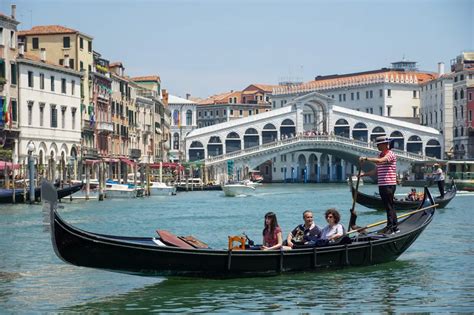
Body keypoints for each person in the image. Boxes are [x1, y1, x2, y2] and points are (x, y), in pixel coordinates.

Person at [360, 135, 399, 235]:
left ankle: (392, 227)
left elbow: (381, 161)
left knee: (389, 206)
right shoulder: (380, 155)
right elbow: (375, 171)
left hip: (388, 184)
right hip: (382, 184)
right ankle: (393, 226)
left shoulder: (390, 154)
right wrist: (364, 174)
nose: (377, 147)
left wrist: (366, 158)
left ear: (385, 145)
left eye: (379, 145)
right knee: (388, 205)